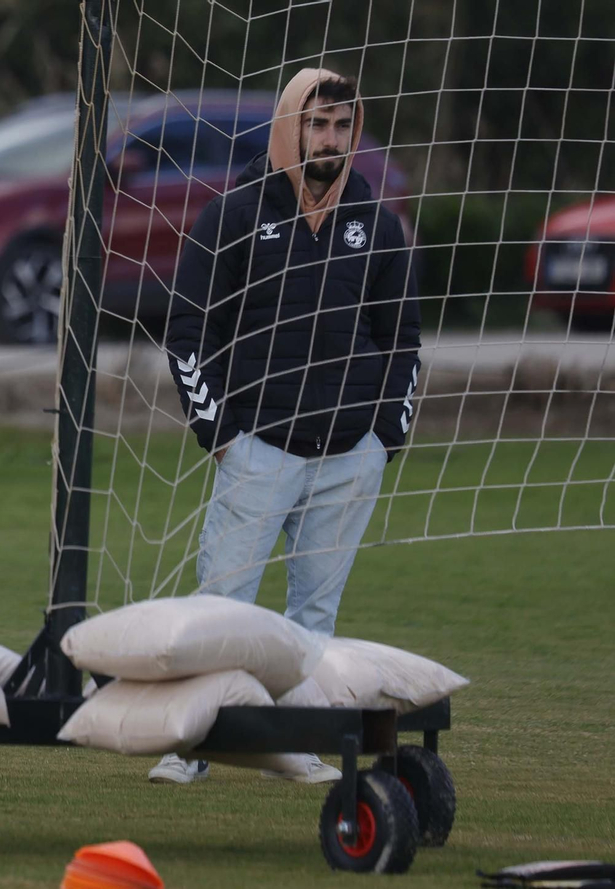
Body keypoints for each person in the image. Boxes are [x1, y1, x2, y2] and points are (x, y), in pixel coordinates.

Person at [155, 69, 422, 785]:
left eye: (341, 126)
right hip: (258, 448)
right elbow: (185, 332)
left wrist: (383, 439)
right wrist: (224, 434)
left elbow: (403, 341)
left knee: (315, 617)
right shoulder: (233, 213)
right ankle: (192, 744)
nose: (329, 139)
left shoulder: (377, 220)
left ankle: (299, 743)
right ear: (288, 126)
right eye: (316, 124)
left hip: (348, 456)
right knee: (222, 609)